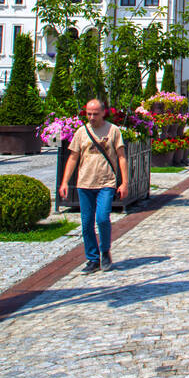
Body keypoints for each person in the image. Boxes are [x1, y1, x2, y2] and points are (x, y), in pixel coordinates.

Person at [59, 99, 128, 273]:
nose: (91, 117)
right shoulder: (81, 132)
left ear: (103, 113)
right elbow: (73, 157)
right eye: (89, 114)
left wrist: (125, 183)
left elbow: (121, 157)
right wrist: (65, 181)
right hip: (85, 183)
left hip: (107, 182)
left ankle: (105, 251)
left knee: (103, 218)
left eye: (95, 114)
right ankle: (92, 258)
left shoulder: (113, 131)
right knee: (86, 222)